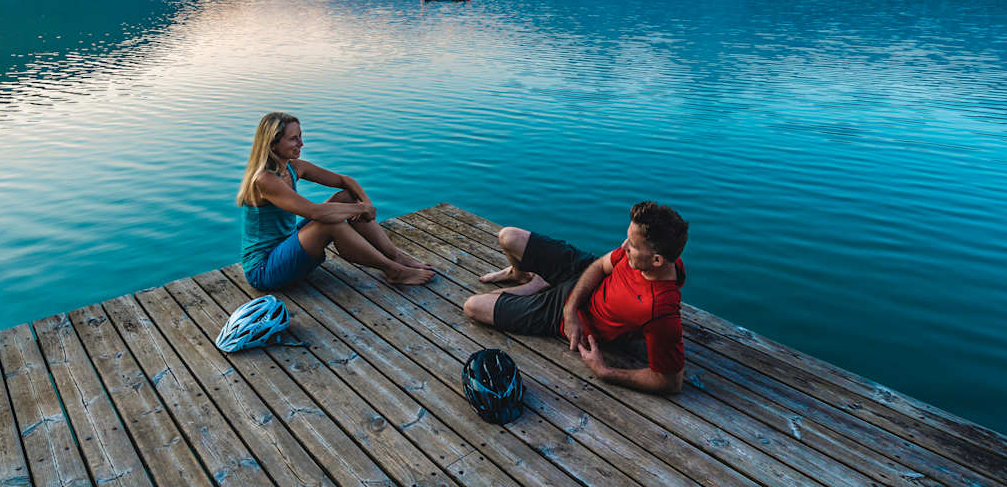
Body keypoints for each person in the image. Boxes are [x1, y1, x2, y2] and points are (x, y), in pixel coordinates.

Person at [462, 202, 688, 394]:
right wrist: (570, 309)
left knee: (473, 306)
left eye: (632, 245)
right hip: (580, 277)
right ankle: (523, 277)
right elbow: (600, 264)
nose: (624, 246)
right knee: (508, 236)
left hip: (562, 315)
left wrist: (605, 371)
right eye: (627, 238)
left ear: (657, 260)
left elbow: (670, 381)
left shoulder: (659, 312)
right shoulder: (648, 258)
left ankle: (538, 285)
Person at [236, 112, 433, 290]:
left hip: (287, 243)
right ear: (273, 144)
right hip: (264, 269)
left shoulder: (293, 167)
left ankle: (394, 255)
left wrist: (365, 203)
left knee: (347, 197)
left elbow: (344, 180)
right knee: (329, 224)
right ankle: (393, 270)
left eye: (300, 136)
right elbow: (315, 213)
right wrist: (361, 209)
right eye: (293, 139)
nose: (301, 144)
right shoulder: (265, 179)